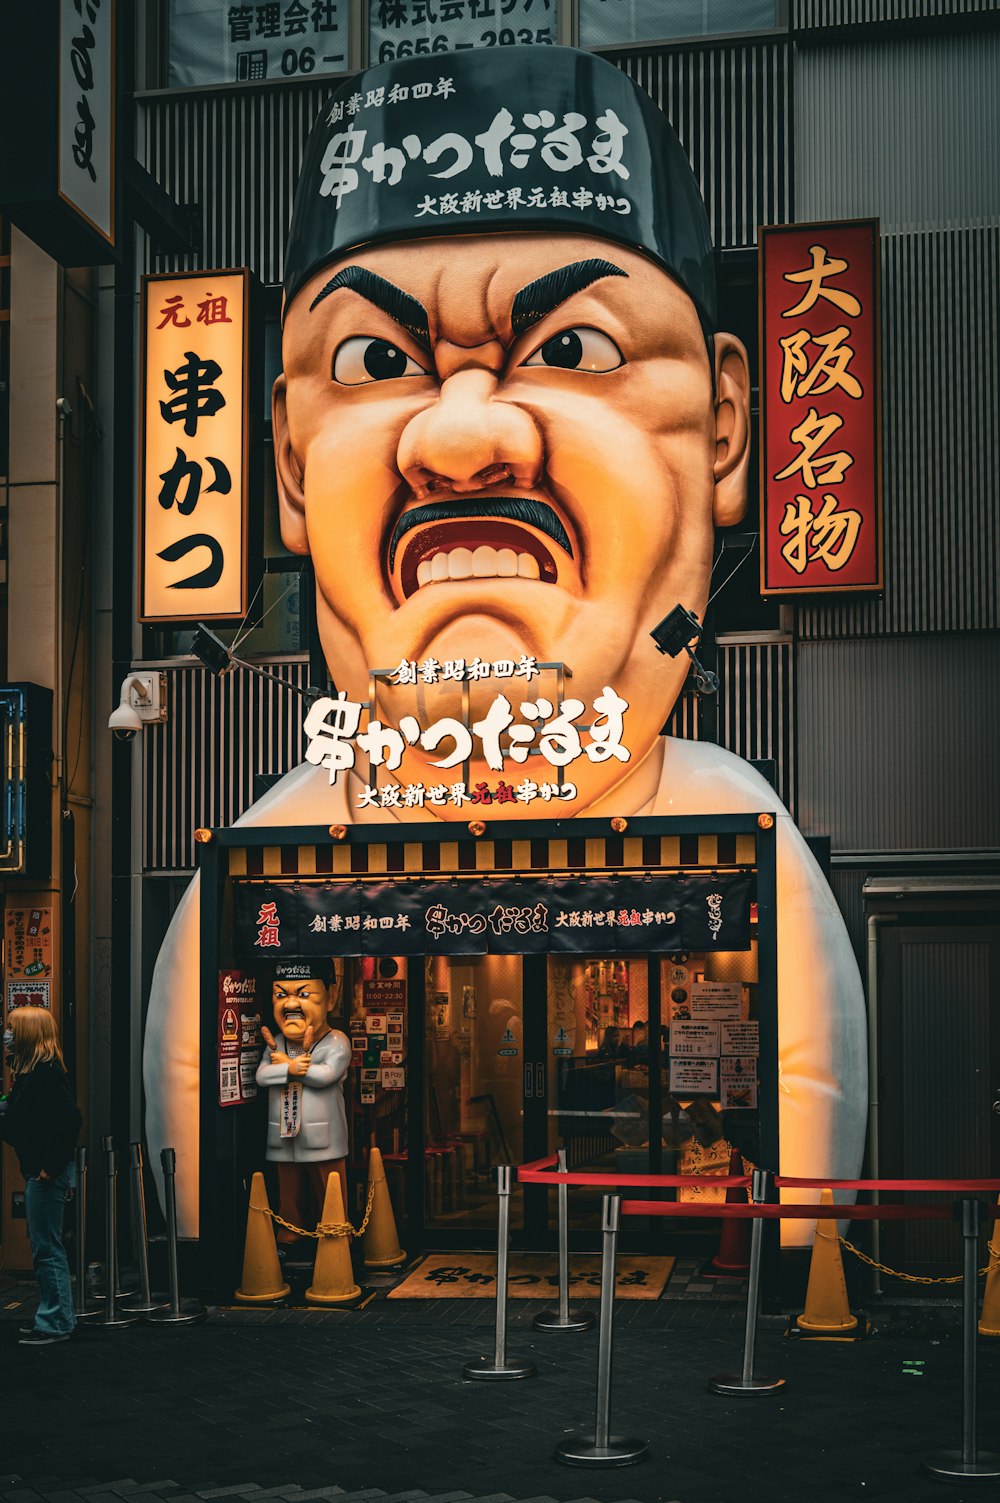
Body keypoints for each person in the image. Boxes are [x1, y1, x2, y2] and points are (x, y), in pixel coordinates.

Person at [144, 45, 867, 1246]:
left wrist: (804, 1237)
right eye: (377, 363)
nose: (462, 437)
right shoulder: (270, 854)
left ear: (727, 430)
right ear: (283, 462)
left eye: (574, 349)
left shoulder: (735, 828)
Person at [255, 962, 352, 1246]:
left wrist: (293, 1069)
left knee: (329, 1185)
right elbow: (262, 1075)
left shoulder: (336, 1041)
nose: (291, 1004)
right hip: (284, 1133)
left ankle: (336, 1233)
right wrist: (288, 1069)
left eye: (304, 994)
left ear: (331, 998)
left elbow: (327, 1075)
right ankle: (291, 1229)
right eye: (281, 995)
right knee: (288, 1186)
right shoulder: (276, 1043)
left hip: (322, 1135)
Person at [0, 1008, 82, 1345]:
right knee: (44, 1245)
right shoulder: (31, 1075)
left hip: (45, 1173)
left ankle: (56, 1321)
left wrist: (51, 1167)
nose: (6, 1034)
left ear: (27, 1035)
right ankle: (52, 1316)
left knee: (46, 1247)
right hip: (39, 1169)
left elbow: (69, 1122)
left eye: (11, 1028)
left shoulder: (45, 1076)